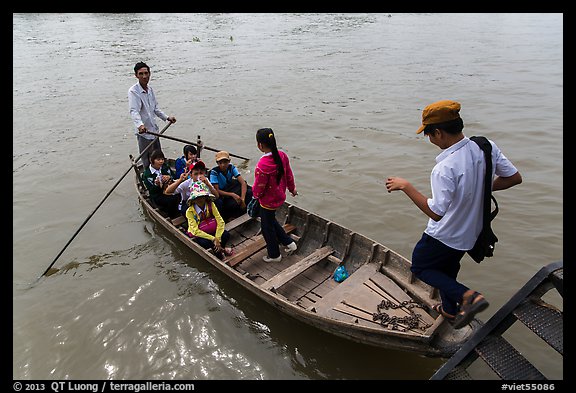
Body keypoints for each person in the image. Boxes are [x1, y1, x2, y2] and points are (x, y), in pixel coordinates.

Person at [385, 100, 522, 329]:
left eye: (428, 135)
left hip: (444, 235)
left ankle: (469, 297)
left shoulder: (445, 167)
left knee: (421, 267)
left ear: (438, 133)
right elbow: (513, 178)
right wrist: (481, 188)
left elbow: (436, 213)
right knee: (446, 270)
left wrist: (406, 186)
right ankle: (450, 310)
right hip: (471, 234)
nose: (429, 140)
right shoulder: (485, 146)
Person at [252, 128, 298, 263]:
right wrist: (292, 189)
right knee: (270, 221)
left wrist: (254, 196)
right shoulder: (282, 155)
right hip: (279, 197)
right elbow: (288, 174)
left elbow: (259, 187)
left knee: (267, 229)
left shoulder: (263, 165)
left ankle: (274, 255)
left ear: (260, 145)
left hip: (267, 202)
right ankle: (289, 243)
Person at [128, 61, 176, 169]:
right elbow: (134, 111)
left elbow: (155, 109)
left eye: (146, 73)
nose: (144, 76)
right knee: (146, 159)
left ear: (149, 74)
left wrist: (167, 118)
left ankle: (162, 176)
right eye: (141, 74)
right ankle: (148, 180)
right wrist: (140, 125)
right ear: (136, 75)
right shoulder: (133, 91)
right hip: (144, 133)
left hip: (154, 131)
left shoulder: (150, 90)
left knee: (158, 157)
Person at [185, 181, 233, 259]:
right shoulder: (189, 212)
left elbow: (220, 221)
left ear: (205, 197)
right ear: (193, 199)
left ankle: (220, 249)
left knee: (226, 235)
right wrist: (213, 239)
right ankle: (219, 253)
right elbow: (195, 230)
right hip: (200, 233)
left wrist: (217, 238)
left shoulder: (211, 205)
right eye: (197, 197)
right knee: (206, 243)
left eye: (201, 196)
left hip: (211, 228)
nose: (199, 199)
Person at [209, 150, 253, 221]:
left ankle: (246, 209)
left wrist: (242, 199)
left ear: (229, 161)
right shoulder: (214, 172)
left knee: (250, 192)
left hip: (229, 188)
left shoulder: (231, 167)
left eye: (225, 162)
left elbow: (243, 183)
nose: (223, 165)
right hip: (222, 193)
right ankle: (233, 216)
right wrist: (233, 195)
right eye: (220, 163)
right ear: (217, 163)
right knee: (233, 203)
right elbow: (217, 190)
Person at [141, 149, 181, 219]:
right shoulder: (147, 174)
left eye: (162, 159)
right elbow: (152, 191)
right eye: (158, 159)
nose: (161, 161)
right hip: (157, 195)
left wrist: (169, 177)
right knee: (172, 199)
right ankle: (172, 216)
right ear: (151, 160)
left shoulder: (165, 167)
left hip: (169, 190)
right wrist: (157, 184)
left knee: (181, 194)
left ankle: (179, 211)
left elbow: (174, 177)